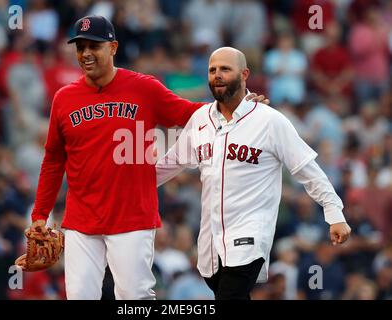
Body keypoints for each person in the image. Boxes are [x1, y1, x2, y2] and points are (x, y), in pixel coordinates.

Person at [27, 15, 268, 300]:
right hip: (81, 220)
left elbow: (188, 113)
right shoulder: (64, 98)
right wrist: (40, 214)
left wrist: (237, 107)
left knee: (135, 298)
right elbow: (54, 159)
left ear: (113, 47)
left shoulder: (143, 88)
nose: (86, 54)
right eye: (80, 47)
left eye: (94, 46)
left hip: (133, 217)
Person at [156, 47, 351, 300]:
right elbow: (168, 164)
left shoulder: (270, 121)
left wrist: (334, 212)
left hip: (249, 233)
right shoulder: (200, 119)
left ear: (244, 74)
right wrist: (119, 186)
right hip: (210, 239)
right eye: (212, 70)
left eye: (225, 69)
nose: (217, 75)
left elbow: (307, 169)